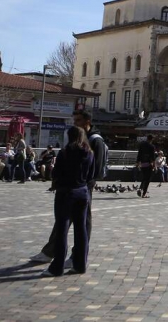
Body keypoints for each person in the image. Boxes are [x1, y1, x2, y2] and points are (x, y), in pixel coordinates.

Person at [31, 109, 107, 265]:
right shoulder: (81, 139)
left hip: (82, 188)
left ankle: (75, 257)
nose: (75, 124)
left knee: (82, 222)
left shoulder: (95, 140)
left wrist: (84, 184)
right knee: (65, 220)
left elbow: (96, 168)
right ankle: (51, 252)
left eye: (78, 120)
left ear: (87, 122)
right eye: (74, 121)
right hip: (72, 187)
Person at [41, 126, 95, 277]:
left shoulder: (65, 152)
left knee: (62, 230)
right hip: (83, 193)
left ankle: (57, 267)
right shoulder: (90, 153)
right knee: (81, 229)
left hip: (66, 193)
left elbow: (56, 173)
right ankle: (80, 265)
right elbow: (91, 174)